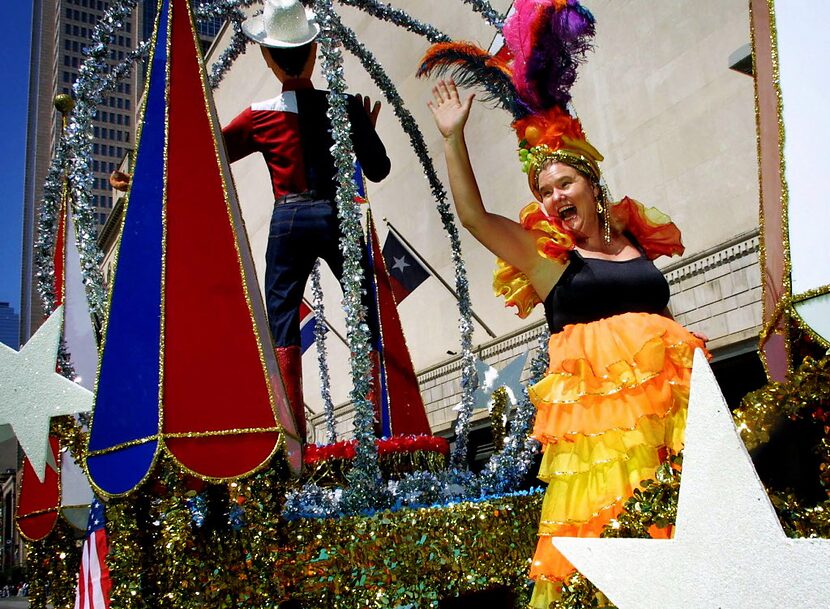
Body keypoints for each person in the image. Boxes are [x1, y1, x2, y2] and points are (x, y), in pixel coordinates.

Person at [427, 56, 706, 609]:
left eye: (563, 183)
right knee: (615, 550)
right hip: (601, 444)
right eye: (544, 190)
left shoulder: (635, 238)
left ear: (590, 181)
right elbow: (474, 218)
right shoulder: (548, 259)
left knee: (688, 539)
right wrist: (453, 138)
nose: (554, 198)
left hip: (674, 421)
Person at [113, 0, 391, 442]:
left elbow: (205, 154)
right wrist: (365, 131)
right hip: (336, 214)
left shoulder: (260, 114)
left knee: (280, 323)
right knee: (367, 313)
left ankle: (292, 436)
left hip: (289, 216)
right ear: (314, 51)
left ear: (267, 56)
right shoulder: (344, 107)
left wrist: (145, 178)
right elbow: (378, 169)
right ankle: (379, 426)